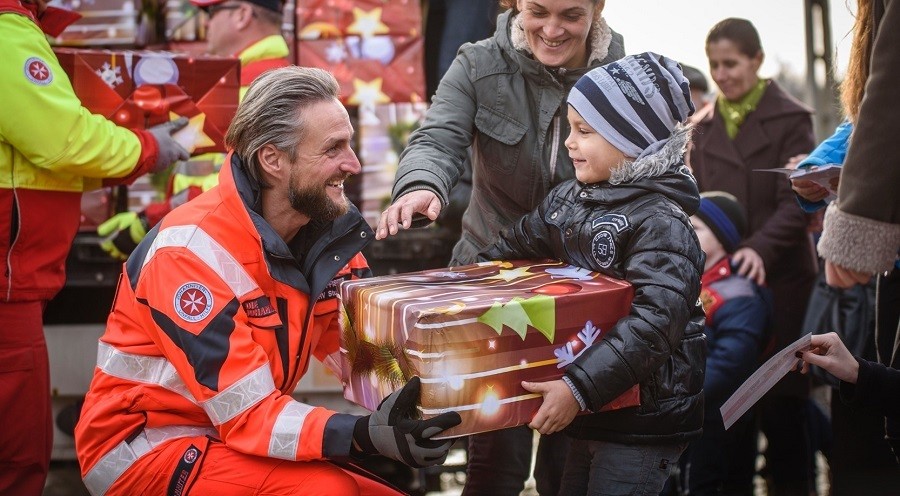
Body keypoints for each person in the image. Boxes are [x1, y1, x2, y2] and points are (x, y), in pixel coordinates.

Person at [73, 67, 461, 496]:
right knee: (328, 492)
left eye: (349, 143)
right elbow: (248, 413)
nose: (353, 164)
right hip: (147, 451)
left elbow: (367, 360)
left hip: (232, 439)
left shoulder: (329, 238)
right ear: (272, 160)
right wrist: (363, 434)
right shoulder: (188, 255)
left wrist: (451, 399)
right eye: (333, 148)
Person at [376, 0, 625, 493]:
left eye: (571, 16)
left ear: (598, 8)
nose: (552, 30)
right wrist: (421, 184)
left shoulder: (622, 75)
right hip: (490, 281)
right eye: (538, 12)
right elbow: (437, 137)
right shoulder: (477, 63)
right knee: (493, 458)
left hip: (580, 292)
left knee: (569, 460)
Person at [477, 52, 705, 495]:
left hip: (642, 418)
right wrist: (458, 294)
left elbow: (654, 325)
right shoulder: (568, 201)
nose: (568, 142)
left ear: (632, 140)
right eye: (570, 128)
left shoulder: (662, 223)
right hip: (588, 408)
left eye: (584, 131)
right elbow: (507, 253)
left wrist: (577, 388)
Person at [0, 0, 191, 492]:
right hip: (7, 284)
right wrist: (149, 149)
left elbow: (36, 161)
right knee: (15, 456)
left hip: (15, 280)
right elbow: (63, 141)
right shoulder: (7, 30)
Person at [689, 18, 818, 495]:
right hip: (721, 283)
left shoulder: (792, 119)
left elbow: (802, 198)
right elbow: (698, 201)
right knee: (730, 413)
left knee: (787, 410)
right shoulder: (700, 128)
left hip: (783, 281)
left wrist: (756, 249)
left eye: (732, 63)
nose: (722, 75)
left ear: (756, 61)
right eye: (715, 65)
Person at [97, 0, 291, 260]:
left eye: (210, 12)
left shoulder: (253, 89)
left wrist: (149, 221)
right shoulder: (251, 82)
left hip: (226, 244)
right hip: (217, 237)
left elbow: (246, 184)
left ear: (242, 15)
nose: (206, 24)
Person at [673, 192, 772, 496]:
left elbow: (732, 360)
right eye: (685, 223)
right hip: (687, 408)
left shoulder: (738, 292)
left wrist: (688, 396)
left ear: (722, 238)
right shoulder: (688, 278)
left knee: (704, 483)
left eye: (698, 228)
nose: (687, 231)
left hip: (717, 413)